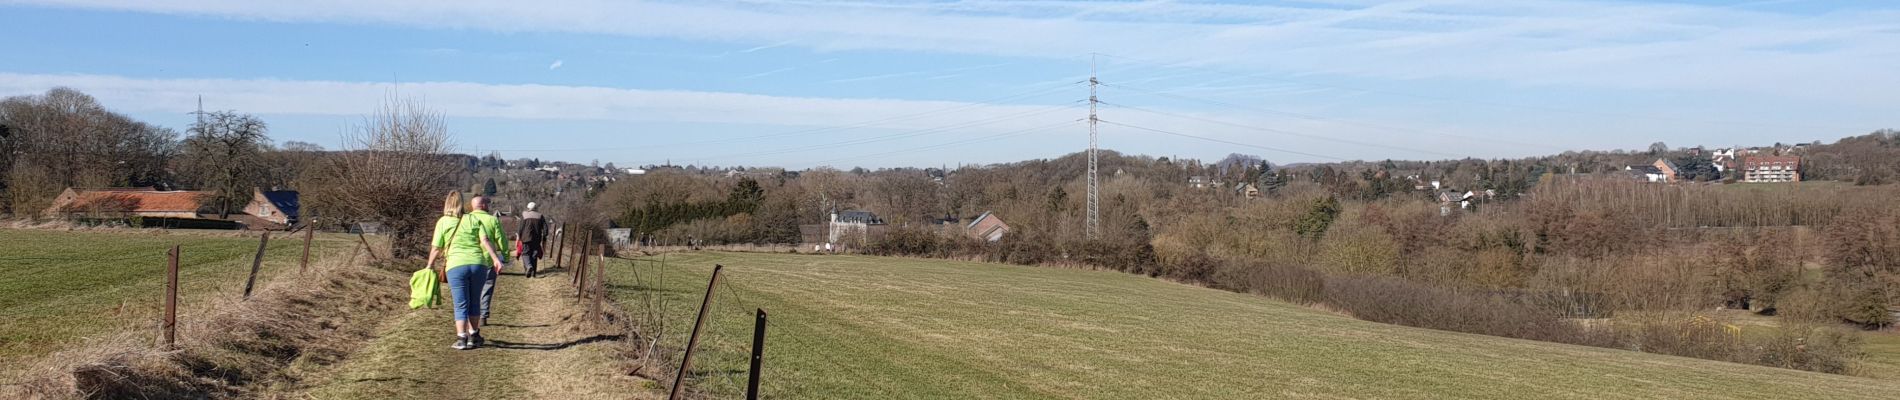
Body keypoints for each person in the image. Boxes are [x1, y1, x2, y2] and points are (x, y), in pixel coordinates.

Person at [433, 193, 508, 350]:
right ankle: (474, 335)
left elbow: (436, 247)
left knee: (461, 304)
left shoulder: (443, 221)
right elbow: (485, 240)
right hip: (478, 264)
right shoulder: (473, 219)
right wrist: (495, 258)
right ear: (463, 204)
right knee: (475, 301)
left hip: (456, 265)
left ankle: (461, 338)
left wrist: (429, 265)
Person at [518, 202, 547, 278]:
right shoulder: (540, 216)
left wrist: (519, 236)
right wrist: (544, 235)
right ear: (535, 208)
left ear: (528, 208)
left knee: (525, 254)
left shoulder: (524, 215)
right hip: (537, 239)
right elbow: (545, 228)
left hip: (526, 238)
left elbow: (520, 227)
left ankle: (528, 266)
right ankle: (533, 273)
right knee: (534, 255)